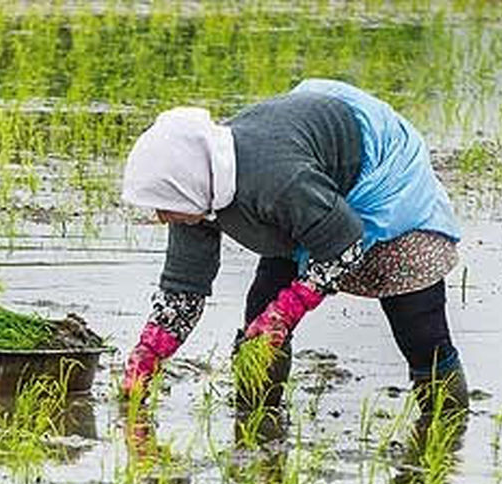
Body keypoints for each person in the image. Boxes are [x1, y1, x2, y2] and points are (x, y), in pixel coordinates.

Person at [119, 79, 466, 418]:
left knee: (419, 326)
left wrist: (286, 311)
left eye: (162, 205)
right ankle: (255, 422)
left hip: (381, 174)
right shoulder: (197, 192)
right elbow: (183, 291)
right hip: (308, 193)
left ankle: (447, 429)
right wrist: (148, 354)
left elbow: (346, 243)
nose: (160, 217)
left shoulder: (278, 181)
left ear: (184, 184)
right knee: (259, 315)